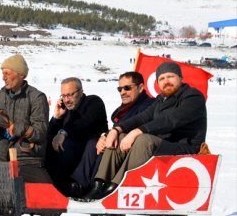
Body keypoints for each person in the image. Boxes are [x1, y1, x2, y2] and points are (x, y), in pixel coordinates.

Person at [83, 62, 207, 200]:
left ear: (180, 78)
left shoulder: (193, 97)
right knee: (121, 136)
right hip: (163, 144)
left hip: (184, 148)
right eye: (161, 78)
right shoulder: (161, 100)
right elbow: (141, 118)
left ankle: (118, 185)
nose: (166, 81)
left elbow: (170, 120)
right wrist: (116, 130)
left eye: (170, 76)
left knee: (143, 139)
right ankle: (99, 183)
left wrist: (137, 131)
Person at [69, 72, 154, 196]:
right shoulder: (125, 108)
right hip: (119, 140)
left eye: (127, 88)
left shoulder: (148, 105)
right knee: (93, 142)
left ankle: (97, 186)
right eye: (120, 89)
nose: (122, 92)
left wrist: (108, 136)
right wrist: (104, 136)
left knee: (109, 144)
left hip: (131, 146)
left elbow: (133, 124)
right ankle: (80, 185)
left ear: (140, 88)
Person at [0, 54, 52, 183]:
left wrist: (17, 128)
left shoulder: (37, 97)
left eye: (7, 73)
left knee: (45, 194)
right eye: (3, 73)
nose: (3, 78)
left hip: (27, 160)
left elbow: (41, 132)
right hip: (0, 158)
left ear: (21, 74)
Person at [45, 77, 107, 196]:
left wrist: (63, 132)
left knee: (68, 143)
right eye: (63, 96)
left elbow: (84, 123)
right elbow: (50, 136)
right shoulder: (67, 110)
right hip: (69, 162)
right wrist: (57, 118)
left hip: (91, 155)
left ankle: (74, 186)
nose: (66, 100)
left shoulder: (93, 102)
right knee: (49, 144)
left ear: (81, 92)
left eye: (70, 95)